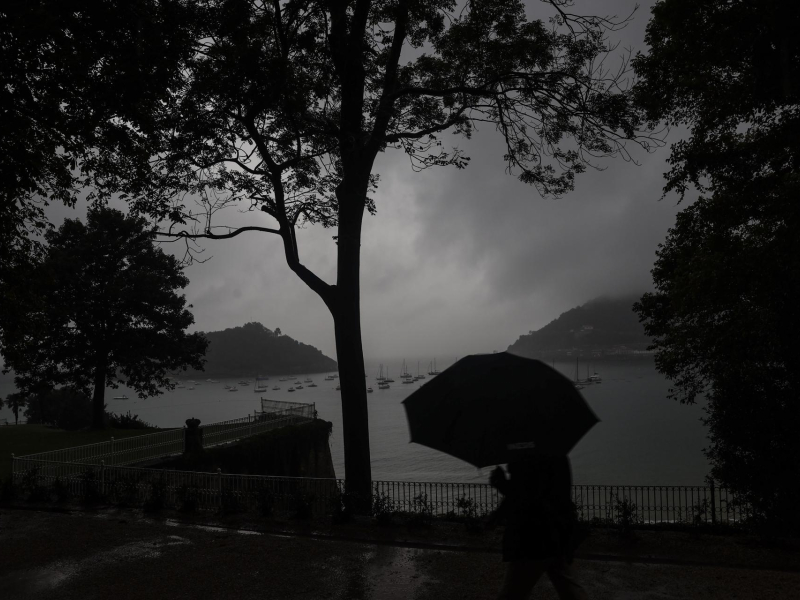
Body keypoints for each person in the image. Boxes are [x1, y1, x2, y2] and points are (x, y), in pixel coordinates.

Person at [490, 450, 588, 600]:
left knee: (512, 594)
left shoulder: (529, 456)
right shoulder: (556, 454)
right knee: (569, 588)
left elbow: (529, 497)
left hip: (532, 538)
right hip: (557, 534)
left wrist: (503, 485)